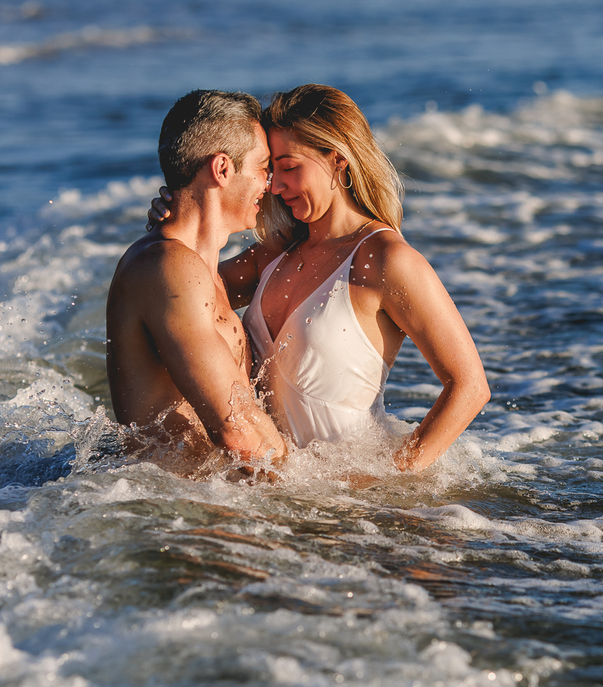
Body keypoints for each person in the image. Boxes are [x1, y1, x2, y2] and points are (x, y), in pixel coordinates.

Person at [148, 84, 489, 471]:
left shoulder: (387, 260)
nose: (276, 186)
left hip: (353, 513)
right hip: (271, 496)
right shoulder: (275, 253)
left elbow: (469, 386)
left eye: (290, 169)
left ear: (337, 159)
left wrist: (394, 477)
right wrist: (178, 221)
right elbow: (189, 294)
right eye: (272, 171)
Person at [107, 89, 286, 470]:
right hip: (178, 515)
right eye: (262, 168)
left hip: (207, 501)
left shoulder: (202, 270)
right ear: (222, 169)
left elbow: (306, 254)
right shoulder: (169, 267)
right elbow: (236, 433)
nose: (269, 183)